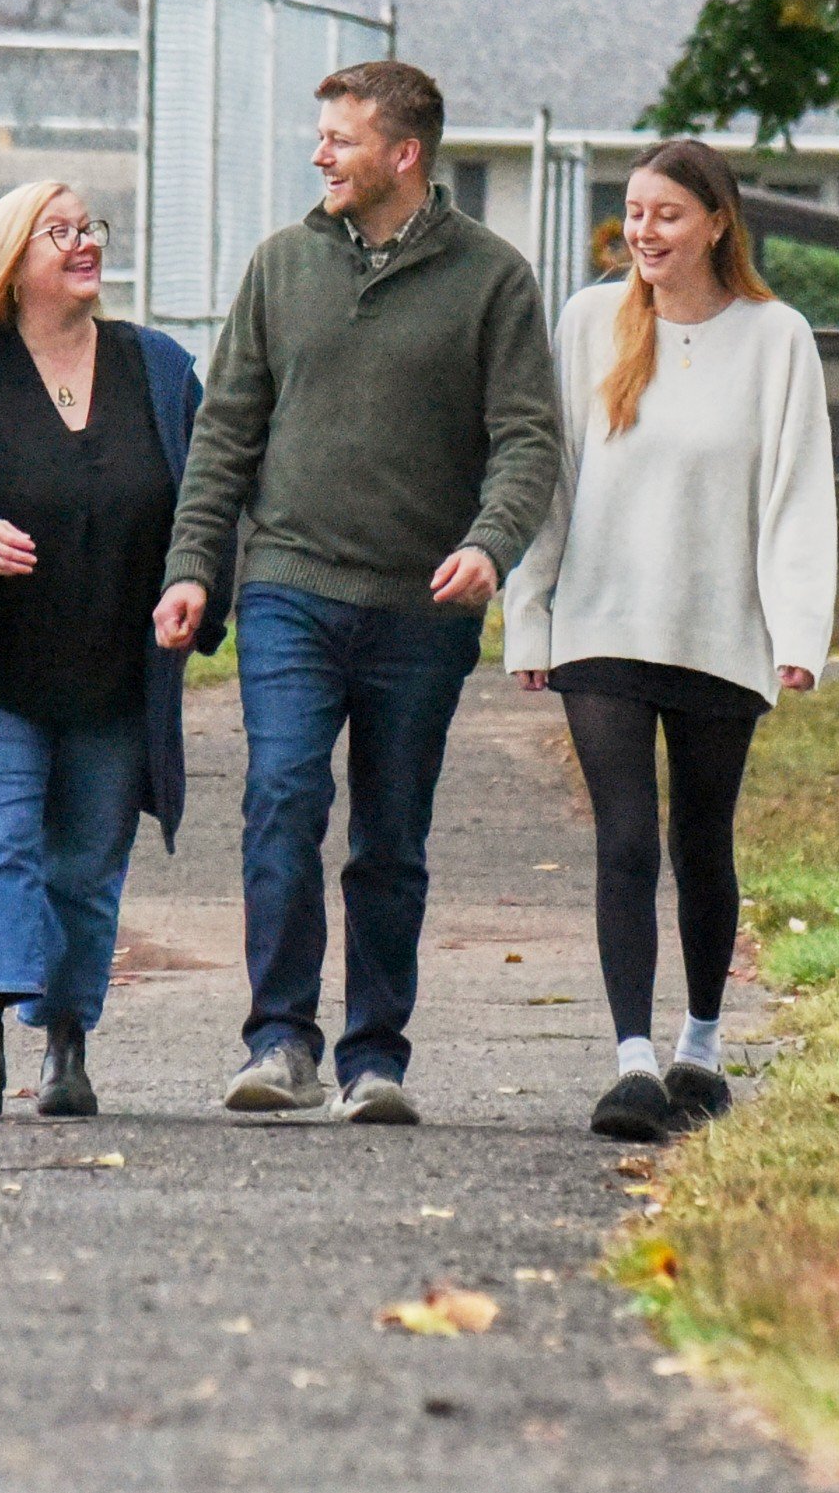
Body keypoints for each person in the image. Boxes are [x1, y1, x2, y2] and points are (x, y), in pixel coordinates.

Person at [155, 61, 559, 1125]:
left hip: (422, 605)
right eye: (321, 135)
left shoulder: (491, 280)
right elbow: (225, 432)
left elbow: (526, 438)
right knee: (283, 795)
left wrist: (490, 545)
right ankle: (280, 1038)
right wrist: (195, 565)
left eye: (340, 137)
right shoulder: (281, 266)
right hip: (288, 582)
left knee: (390, 837)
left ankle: (374, 1056)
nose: (321, 153)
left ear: (403, 154)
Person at [505, 137, 836, 1145]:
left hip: (719, 626)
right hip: (602, 616)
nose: (644, 232)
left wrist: (797, 629)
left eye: (667, 215)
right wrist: (531, 608)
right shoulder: (588, 322)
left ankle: (699, 1043)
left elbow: (795, 494)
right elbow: (549, 474)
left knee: (702, 837)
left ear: (716, 222)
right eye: (634, 213)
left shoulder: (775, 338)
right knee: (625, 837)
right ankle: (631, 1061)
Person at [0, 182, 229, 1118]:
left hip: (116, 672)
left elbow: (209, 498)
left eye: (88, 227)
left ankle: (65, 1045)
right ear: (13, 260)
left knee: (88, 867)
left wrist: (196, 582)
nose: (83, 244)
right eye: (58, 232)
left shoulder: (161, 369)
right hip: (4, 670)